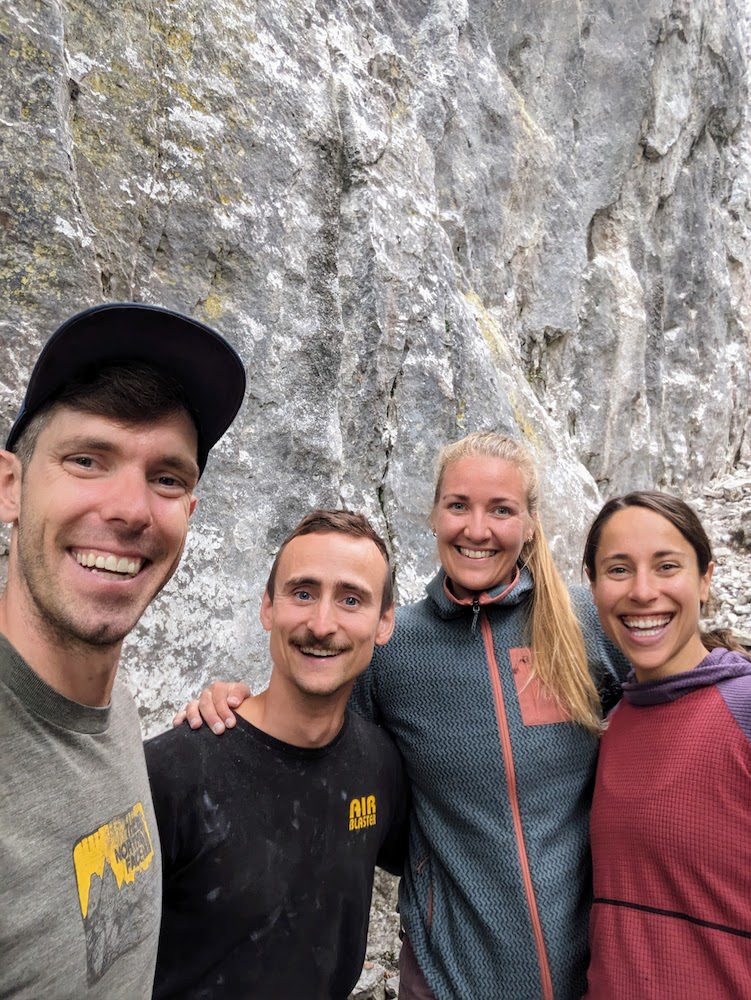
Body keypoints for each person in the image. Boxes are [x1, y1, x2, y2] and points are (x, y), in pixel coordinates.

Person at [177, 432, 628, 999]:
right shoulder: (394, 647)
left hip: (598, 979)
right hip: (447, 982)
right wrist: (228, 706)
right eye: (459, 505)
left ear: (531, 523)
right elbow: (312, 731)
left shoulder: (585, 623)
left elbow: (672, 709)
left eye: (502, 510)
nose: (477, 529)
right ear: (435, 514)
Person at [0, 303, 245, 999]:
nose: (131, 509)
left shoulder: (108, 701)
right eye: (87, 460)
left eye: (167, 478)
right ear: (10, 485)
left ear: (189, 512)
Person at [146, 509, 408, 999]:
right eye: (303, 593)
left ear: (384, 622)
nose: (322, 623)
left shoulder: (380, 765)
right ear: (267, 606)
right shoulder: (175, 772)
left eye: (351, 599)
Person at [582, 491, 751, 999]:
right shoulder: (613, 724)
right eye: (617, 570)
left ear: (705, 578)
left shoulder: (743, 708)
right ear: (591, 587)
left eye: (666, 566)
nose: (642, 591)